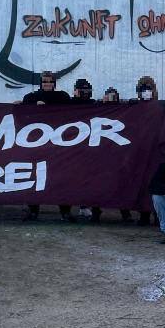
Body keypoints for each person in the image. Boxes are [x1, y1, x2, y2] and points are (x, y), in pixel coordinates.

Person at [21, 72, 69, 222]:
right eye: (45, 81)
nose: (48, 84)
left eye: (50, 81)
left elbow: (75, 110)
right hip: (37, 144)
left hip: (58, 144)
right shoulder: (30, 97)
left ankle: (65, 212)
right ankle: (33, 211)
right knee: (35, 177)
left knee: (62, 178)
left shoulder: (63, 97)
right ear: (41, 83)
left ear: (54, 83)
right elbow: (22, 114)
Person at [62, 78, 102, 223]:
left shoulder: (95, 105)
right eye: (82, 90)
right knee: (68, 179)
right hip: (70, 148)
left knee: (91, 179)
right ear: (76, 91)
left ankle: (91, 208)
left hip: (89, 149)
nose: (85, 93)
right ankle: (66, 210)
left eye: (87, 90)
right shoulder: (68, 104)